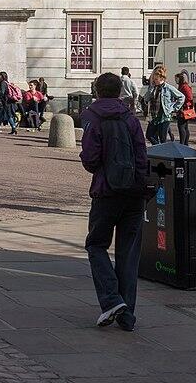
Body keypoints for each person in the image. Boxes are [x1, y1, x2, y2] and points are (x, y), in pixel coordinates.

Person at [79, 71, 150, 331]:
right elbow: (142, 154)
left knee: (96, 245)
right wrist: (141, 184)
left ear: (97, 90)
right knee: (128, 254)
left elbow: (90, 159)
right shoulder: (130, 117)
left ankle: (111, 299)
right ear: (120, 91)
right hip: (133, 193)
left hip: (106, 191)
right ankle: (127, 315)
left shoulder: (91, 116)